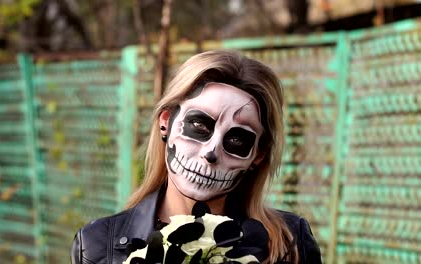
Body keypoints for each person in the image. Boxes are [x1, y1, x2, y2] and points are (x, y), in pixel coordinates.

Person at [71, 50, 321, 264]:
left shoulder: (290, 242)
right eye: (199, 125)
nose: (211, 151)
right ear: (166, 123)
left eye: (236, 139)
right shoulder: (96, 246)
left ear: (258, 154)